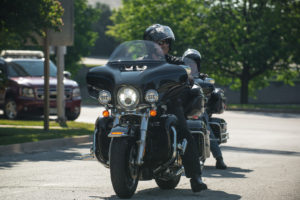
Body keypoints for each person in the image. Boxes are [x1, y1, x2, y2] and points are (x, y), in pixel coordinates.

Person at [144, 24, 207, 192]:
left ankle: (195, 177)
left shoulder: (175, 62)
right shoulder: (140, 62)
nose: (163, 44)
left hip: (169, 104)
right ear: (150, 44)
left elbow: (188, 74)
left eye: (165, 41)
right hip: (143, 104)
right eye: (158, 42)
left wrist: (188, 76)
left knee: (183, 131)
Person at [182, 49, 227, 170]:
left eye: (193, 62)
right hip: (183, 108)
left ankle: (219, 158)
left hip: (199, 109)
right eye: (188, 62)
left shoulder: (202, 78)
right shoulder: (179, 76)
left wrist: (207, 86)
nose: (190, 64)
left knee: (205, 126)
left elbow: (210, 90)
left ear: (197, 64)